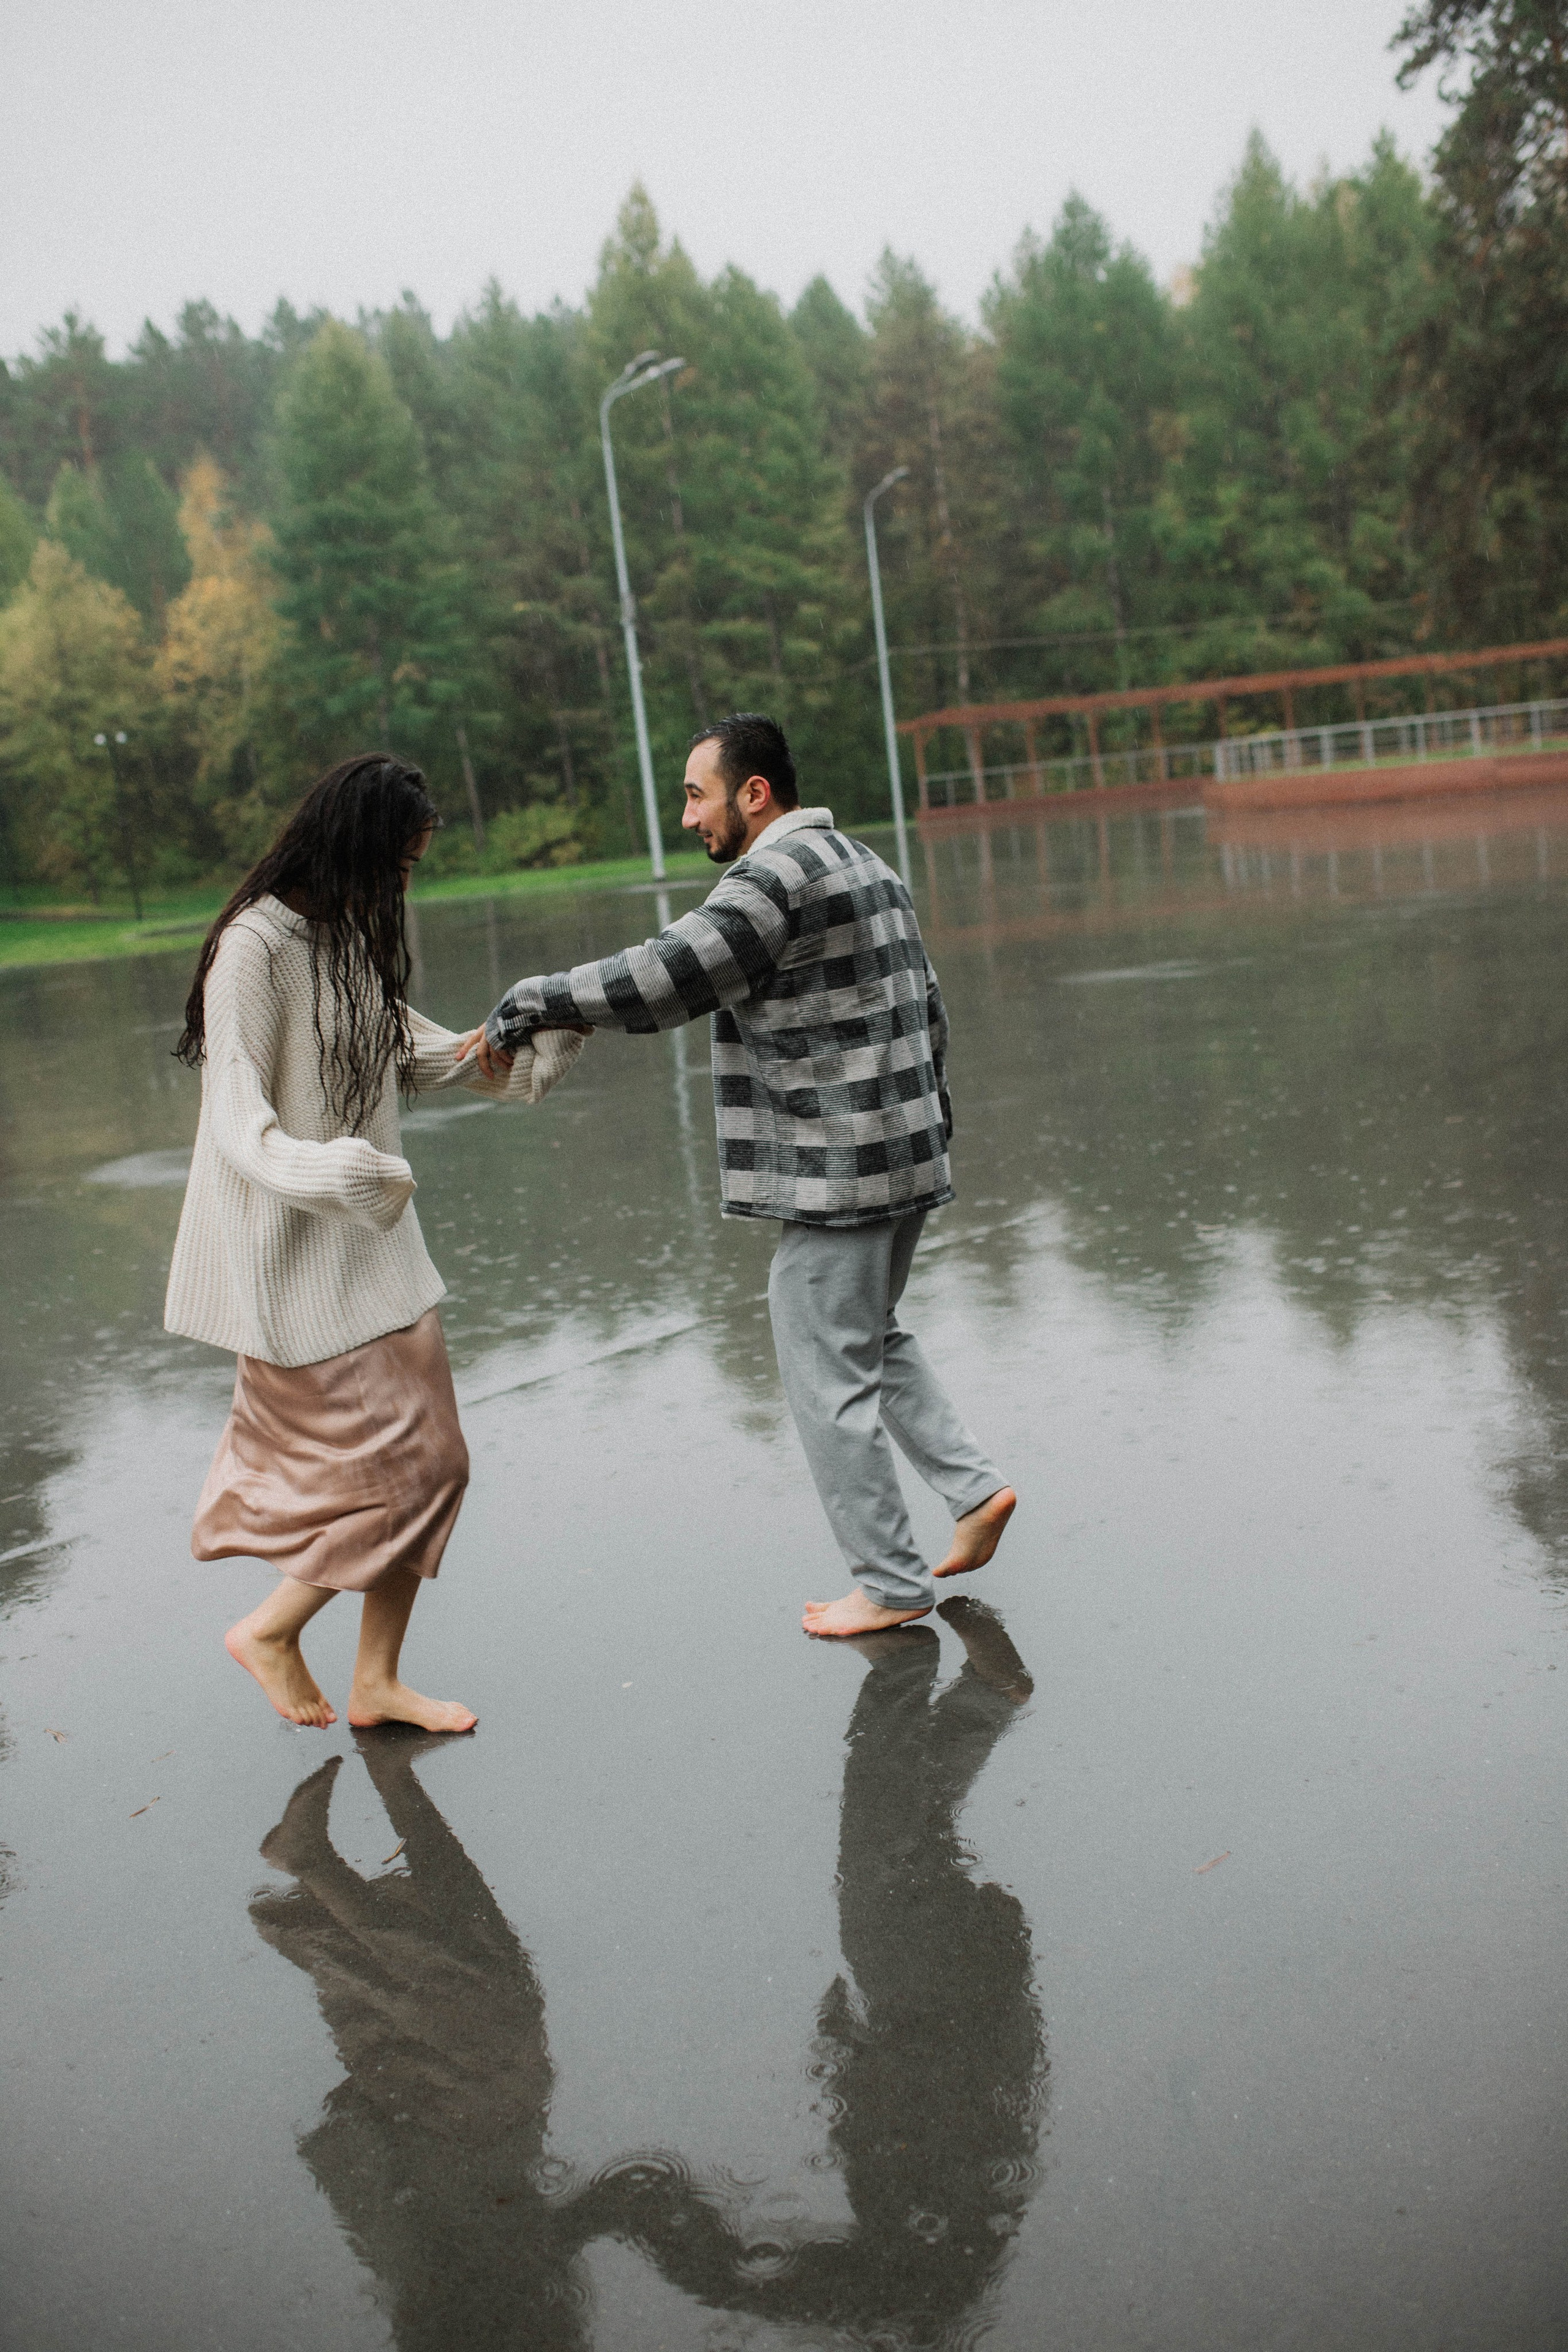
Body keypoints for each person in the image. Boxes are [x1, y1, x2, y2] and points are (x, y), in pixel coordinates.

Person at [467, 712, 1014, 1637]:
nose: (688, 817)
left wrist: (533, 1000)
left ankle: (888, 1580)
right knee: (866, 1333)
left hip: (841, 1168)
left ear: (753, 794)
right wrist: (929, 1128)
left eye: (695, 794)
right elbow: (931, 1006)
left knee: (819, 1362)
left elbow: (664, 976)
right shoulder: (866, 862)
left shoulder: (772, 878)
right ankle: (974, 1489)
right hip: (906, 1148)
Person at [165, 754, 584, 1732]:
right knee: (408, 1473)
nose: (404, 883)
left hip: (378, 1257)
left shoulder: (343, 940)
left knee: (432, 1468)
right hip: (298, 1262)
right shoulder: (254, 951)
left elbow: (413, 1051)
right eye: (397, 863)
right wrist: (337, 1170)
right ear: (352, 846)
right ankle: (271, 1631)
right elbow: (236, 1117)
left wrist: (532, 1044)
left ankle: (376, 1681)